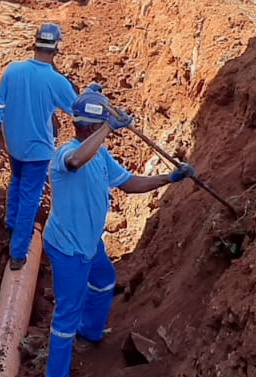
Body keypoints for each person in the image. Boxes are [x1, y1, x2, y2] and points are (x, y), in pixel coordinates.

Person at [42, 84, 196, 377]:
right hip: (68, 248)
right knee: (66, 316)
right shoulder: (66, 154)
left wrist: (169, 178)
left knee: (103, 281)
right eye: (100, 125)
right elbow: (76, 162)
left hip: (89, 242)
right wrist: (108, 129)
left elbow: (128, 183)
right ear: (91, 128)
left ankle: (90, 331)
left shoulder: (100, 157)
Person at [0, 23, 78, 270]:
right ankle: (17, 253)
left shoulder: (13, 70)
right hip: (38, 151)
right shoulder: (56, 82)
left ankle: (11, 224)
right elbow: (78, 111)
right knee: (30, 197)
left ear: (34, 43)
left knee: (16, 180)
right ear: (56, 48)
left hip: (13, 145)